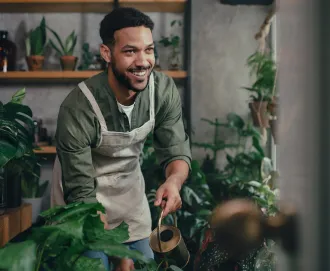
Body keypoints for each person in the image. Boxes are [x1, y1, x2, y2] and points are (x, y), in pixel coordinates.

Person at [51, 7, 191, 271]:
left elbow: (176, 151)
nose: (143, 61)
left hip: (128, 191)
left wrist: (174, 181)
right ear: (107, 53)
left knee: (144, 265)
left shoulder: (162, 91)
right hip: (82, 202)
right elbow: (81, 194)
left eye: (148, 50)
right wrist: (117, 253)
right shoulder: (78, 107)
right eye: (130, 51)